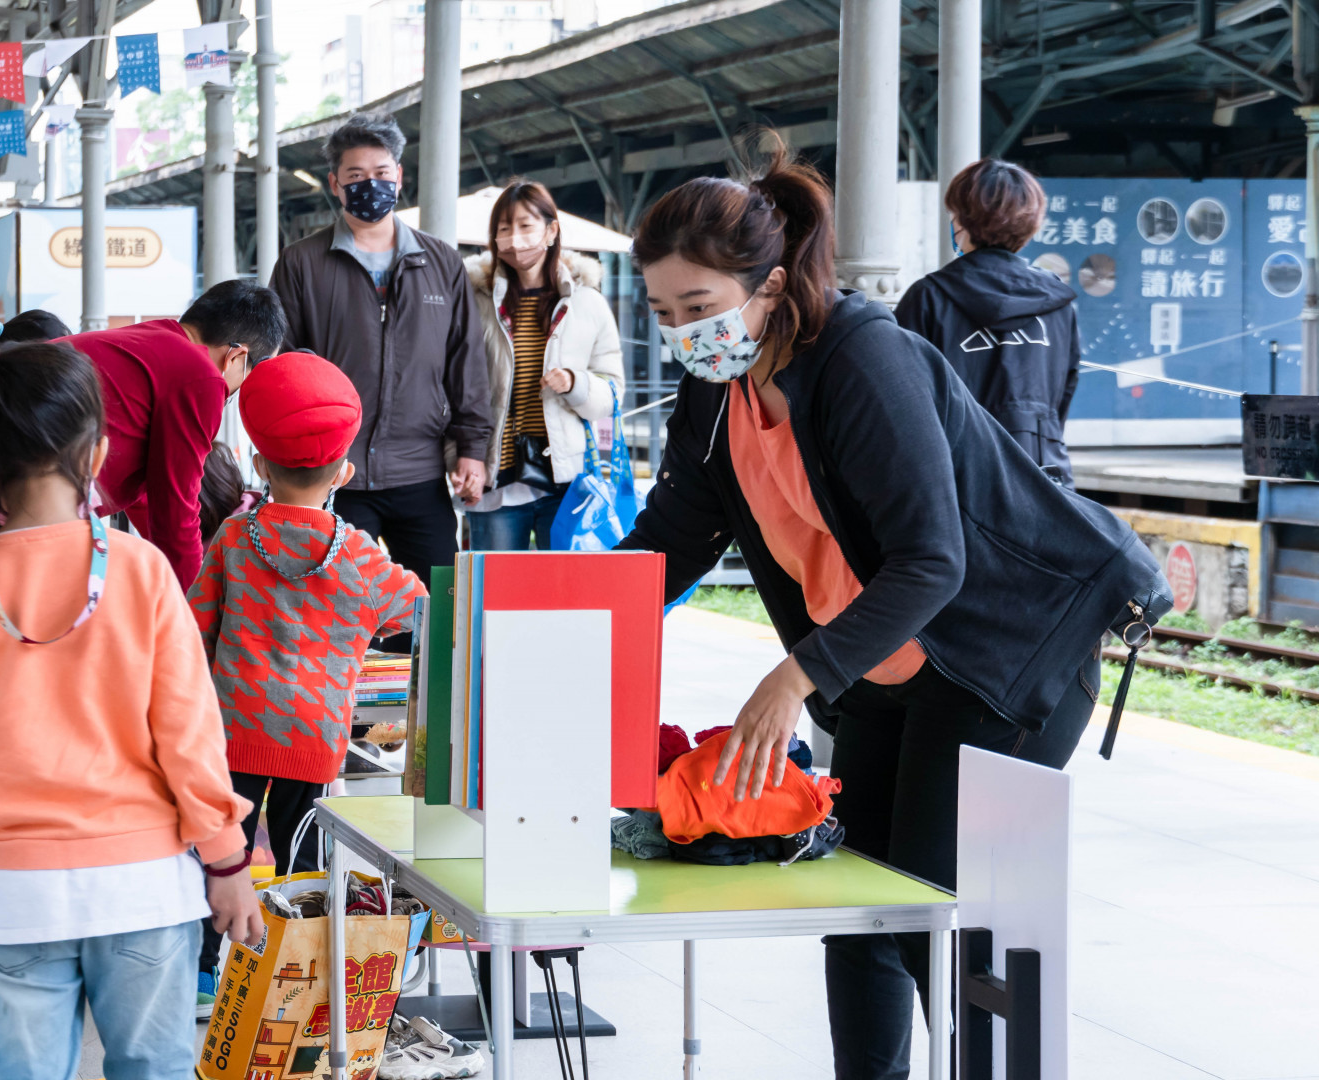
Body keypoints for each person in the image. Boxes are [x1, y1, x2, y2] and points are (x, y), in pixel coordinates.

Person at [615, 142, 1168, 1079]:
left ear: (771, 284)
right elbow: (669, 540)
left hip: (1001, 655)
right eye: (665, 315)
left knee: (933, 919)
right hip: (881, 666)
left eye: (700, 307)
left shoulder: (863, 358)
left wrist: (794, 677)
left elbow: (931, 561)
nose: (685, 334)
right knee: (858, 908)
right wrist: (552, 615)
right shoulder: (715, 394)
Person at [0, 337, 258, 1080]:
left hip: (15, 897)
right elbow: (188, 734)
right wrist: (226, 859)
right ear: (98, 454)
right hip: (146, 887)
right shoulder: (142, 570)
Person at [187, 353, 426, 995]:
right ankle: (289, 977)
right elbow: (421, 609)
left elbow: (194, 625)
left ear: (259, 465)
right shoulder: (360, 557)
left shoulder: (234, 539)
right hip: (315, 738)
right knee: (303, 864)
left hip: (234, 731)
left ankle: (202, 973)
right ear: (344, 473)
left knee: (221, 852)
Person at [270, 112, 492, 588]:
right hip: (334, 473)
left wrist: (473, 449)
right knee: (337, 605)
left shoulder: (441, 262)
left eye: (381, 173)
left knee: (440, 601)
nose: (370, 184)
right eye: (355, 175)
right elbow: (283, 367)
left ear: (399, 176)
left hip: (420, 469)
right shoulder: (301, 263)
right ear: (335, 183)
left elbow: (466, 361)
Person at [0, 280, 287, 590]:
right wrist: (193, 606)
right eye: (250, 375)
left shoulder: (155, 338)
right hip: (22, 511)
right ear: (236, 357)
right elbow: (176, 513)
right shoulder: (201, 376)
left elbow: (145, 496)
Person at [895, 158, 1081, 486]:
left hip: (957, 478)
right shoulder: (1058, 301)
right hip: (1045, 474)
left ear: (963, 221)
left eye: (953, 214)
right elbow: (1063, 392)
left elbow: (901, 400)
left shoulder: (928, 298)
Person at [461, 180, 623, 549]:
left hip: (567, 482)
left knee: (564, 585)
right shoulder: (474, 302)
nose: (514, 240)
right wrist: (461, 459)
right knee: (496, 585)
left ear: (551, 231)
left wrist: (576, 383)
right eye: (504, 229)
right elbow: (456, 389)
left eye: (525, 226)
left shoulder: (587, 302)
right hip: (496, 481)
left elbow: (613, 393)